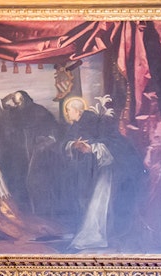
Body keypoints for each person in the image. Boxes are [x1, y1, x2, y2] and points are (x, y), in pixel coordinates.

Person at [61, 96, 146, 251]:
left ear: (77, 110)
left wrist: (92, 148)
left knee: (99, 201)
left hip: (105, 170)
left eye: (68, 110)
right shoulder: (75, 126)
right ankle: (91, 233)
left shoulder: (96, 121)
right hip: (86, 170)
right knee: (85, 200)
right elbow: (66, 143)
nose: (67, 114)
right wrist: (74, 144)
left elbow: (114, 142)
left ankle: (98, 235)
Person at [0, 90, 60, 208]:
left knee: (33, 182)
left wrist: (44, 141)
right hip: (15, 154)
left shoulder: (38, 110)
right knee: (16, 181)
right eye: (15, 101)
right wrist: (5, 99)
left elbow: (52, 127)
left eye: (20, 99)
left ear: (25, 98)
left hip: (33, 152)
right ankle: (19, 208)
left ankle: (36, 209)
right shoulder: (12, 112)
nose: (18, 103)